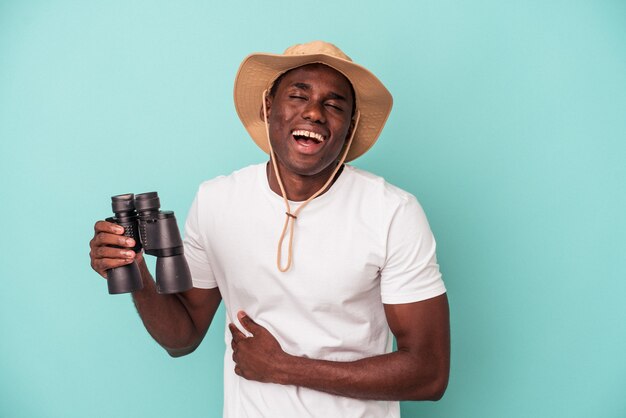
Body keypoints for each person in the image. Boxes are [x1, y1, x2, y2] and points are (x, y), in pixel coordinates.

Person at [89, 41, 450, 417]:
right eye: (298, 96)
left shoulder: (392, 212)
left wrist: (284, 368)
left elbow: (429, 373)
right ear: (267, 107)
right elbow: (182, 338)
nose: (313, 112)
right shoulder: (217, 201)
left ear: (350, 126)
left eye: (334, 104)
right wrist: (135, 270)